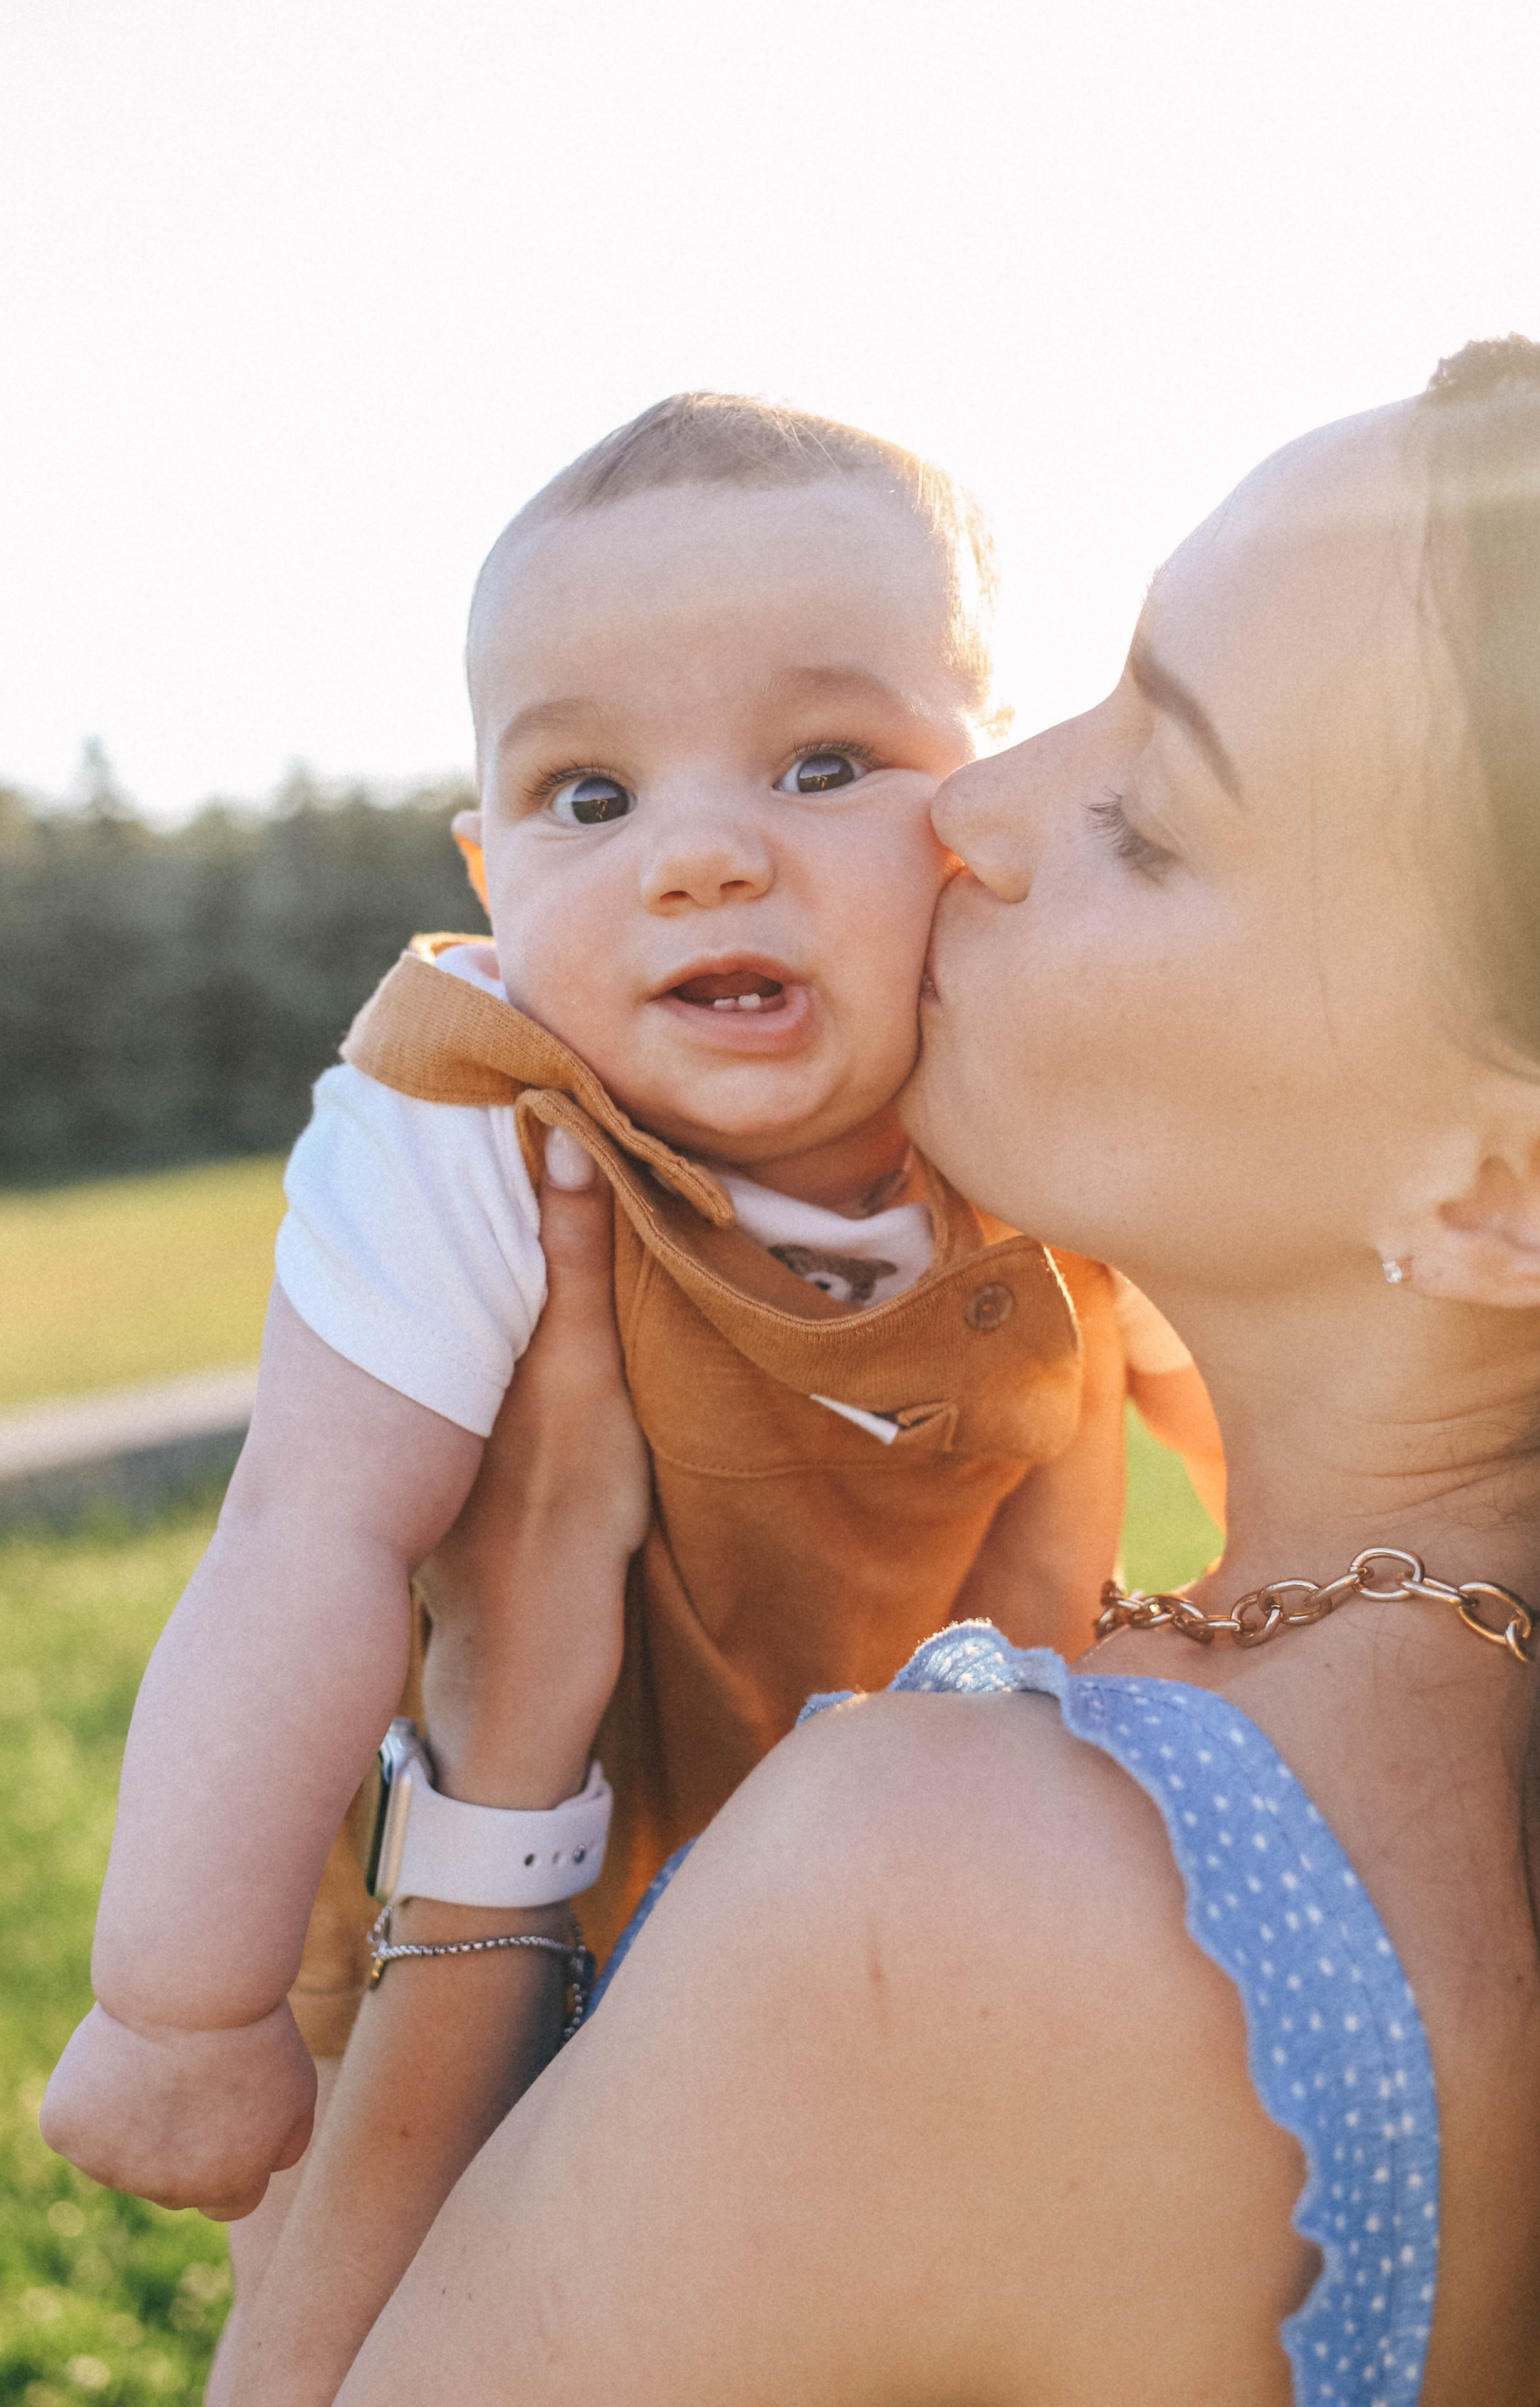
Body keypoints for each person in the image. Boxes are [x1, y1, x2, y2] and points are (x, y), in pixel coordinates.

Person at [224, 335, 1540, 2406]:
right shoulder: (1531, 1792)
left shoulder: (952, 1895)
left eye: (1148, 811)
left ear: (1507, 1188)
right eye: (1091, 694)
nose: (973, 806)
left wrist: (503, 1758)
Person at [39, 394, 1222, 2231]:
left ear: (992, 804)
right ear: (493, 880)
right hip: (496, 1898)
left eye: (823, 764)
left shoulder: (1036, 1088)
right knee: (400, 2307)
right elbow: (306, 1534)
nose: (699, 856)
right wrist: (179, 2007)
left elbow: (1246, 1421)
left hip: (886, 1897)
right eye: (589, 797)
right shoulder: (481, 1112)